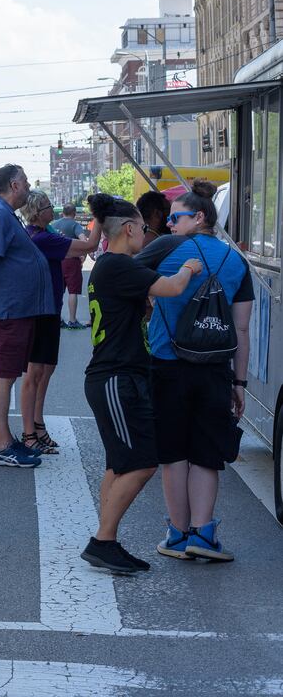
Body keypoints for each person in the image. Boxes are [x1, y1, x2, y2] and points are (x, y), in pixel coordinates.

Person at [80, 193, 203, 574]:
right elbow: (171, 288)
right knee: (142, 463)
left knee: (118, 465)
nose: (147, 235)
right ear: (129, 229)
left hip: (116, 376)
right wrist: (190, 268)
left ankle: (107, 539)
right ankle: (103, 541)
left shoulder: (111, 267)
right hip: (117, 378)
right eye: (145, 229)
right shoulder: (119, 265)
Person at [137, 189, 254, 563]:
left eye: (176, 217)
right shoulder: (236, 261)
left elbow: (128, 280)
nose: (169, 224)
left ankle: (176, 534)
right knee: (206, 453)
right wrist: (239, 383)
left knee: (173, 452)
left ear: (200, 218)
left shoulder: (167, 248)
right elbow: (242, 330)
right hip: (215, 368)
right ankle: (203, 535)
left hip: (168, 363)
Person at [0, 165, 50, 469]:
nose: (29, 188)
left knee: (8, 375)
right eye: (26, 183)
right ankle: (2, 446)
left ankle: (7, 440)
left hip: (12, 310)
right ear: (14, 186)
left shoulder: (1, 213)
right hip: (4, 311)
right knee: (3, 376)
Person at [18, 190, 100, 456]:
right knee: (35, 373)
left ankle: (37, 426)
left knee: (46, 370)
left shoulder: (41, 233)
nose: (51, 209)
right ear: (37, 212)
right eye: (47, 206)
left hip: (48, 309)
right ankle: (29, 432)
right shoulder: (42, 237)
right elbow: (89, 247)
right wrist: (99, 216)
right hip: (40, 311)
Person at [49, 204, 88, 328]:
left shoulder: (53, 225)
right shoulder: (75, 225)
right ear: (74, 213)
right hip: (72, 261)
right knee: (73, 291)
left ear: (62, 213)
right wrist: (82, 254)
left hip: (56, 261)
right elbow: (83, 240)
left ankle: (58, 319)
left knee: (58, 291)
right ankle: (72, 320)